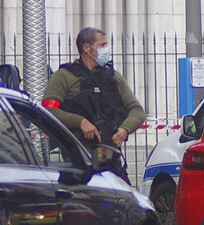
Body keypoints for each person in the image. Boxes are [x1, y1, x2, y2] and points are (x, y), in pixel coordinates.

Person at [42, 27, 146, 182]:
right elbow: (48, 111)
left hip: (107, 153)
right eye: (102, 45)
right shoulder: (64, 77)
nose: (106, 49)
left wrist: (125, 129)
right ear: (86, 48)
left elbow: (137, 111)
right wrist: (81, 122)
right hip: (76, 156)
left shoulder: (112, 77)